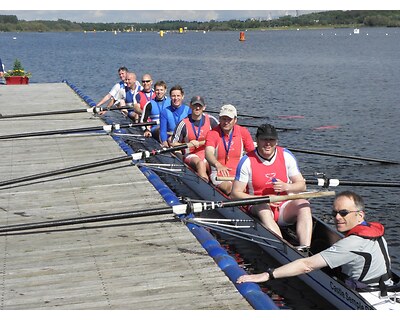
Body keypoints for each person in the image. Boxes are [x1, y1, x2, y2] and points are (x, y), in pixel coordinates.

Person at [237, 191, 395, 294]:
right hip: (385, 284)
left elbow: (306, 266)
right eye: (335, 213)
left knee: (315, 254)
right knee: (320, 244)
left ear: (360, 215)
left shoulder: (351, 244)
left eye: (344, 213)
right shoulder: (375, 231)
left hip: (363, 293)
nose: (338, 217)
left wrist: (266, 275)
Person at [231, 123, 312, 247]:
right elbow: (235, 194)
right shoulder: (246, 161)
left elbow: (302, 185)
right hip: (258, 206)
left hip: (283, 205)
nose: (268, 143)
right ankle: (284, 248)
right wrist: (263, 199)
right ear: (257, 140)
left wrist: (287, 187)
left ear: (276, 141)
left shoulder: (286, 156)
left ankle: (305, 248)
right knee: (263, 208)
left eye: (271, 140)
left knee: (304, 204)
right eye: (264, 139)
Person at [205, 104, 254, 195]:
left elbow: (253, 154)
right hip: (219, 174)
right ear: (219, 119)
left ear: (235, 120)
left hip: (239, 174)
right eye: (223, 119)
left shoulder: (243, 132)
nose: (226, 122)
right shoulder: (213, 133)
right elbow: (208, 153)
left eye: (229, 119)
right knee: (231, 188)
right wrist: (218, 165)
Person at [171, 96, 219, 181]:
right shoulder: (183, 123)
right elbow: (173, 144)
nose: (197, 108)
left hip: (208, 153)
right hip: (191, 154)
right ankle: (205, 186)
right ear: (190, 106)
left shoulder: (211, 120)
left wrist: (205, 142)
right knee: (200, 164)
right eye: (195, 105)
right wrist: (188, 144)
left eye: (199, 106)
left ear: (204, 107)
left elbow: (221, 137)